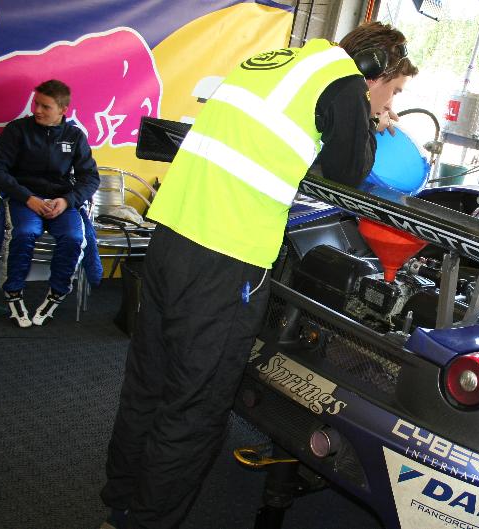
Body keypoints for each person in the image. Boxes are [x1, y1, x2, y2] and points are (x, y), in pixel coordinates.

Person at [99, 22, 417, 529]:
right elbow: (349, 171)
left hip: (170, 239)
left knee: (147, 384)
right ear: (374, 69)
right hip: (225, 259)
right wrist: (371, 121)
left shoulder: (275, 63)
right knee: (195, 404)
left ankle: (119, 502)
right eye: (393, 91)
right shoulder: (343, 83)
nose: (389, 102)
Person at [0, 79, 99, 327]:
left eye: (45, 106)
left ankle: (56, 294)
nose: (37, 110)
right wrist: (28, 198)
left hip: (61, 202)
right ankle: (13, 293)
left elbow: (90, 178)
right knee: (24, 233)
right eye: (36, 103)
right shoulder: (18, 130)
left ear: (62, 110)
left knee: (73, 237)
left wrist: (67, 201)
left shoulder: (75, 136)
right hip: (24, 200)